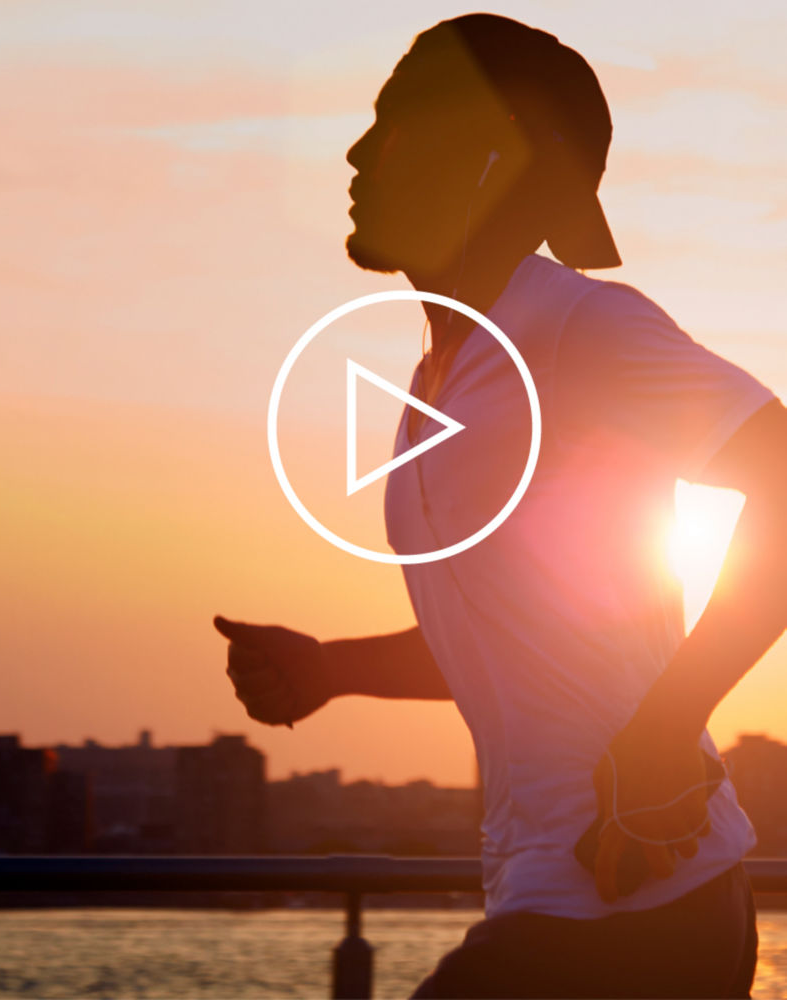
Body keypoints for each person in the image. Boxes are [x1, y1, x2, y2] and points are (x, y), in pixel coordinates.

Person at [215, 14, 787, 998]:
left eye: (391, 122)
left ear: (490, 151)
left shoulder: (578, 326)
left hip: (641, 898)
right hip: (556, 899)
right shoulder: (441, 379)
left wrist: (662, 729)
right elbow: (515, 640)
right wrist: (331, 670)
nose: (354, 154)